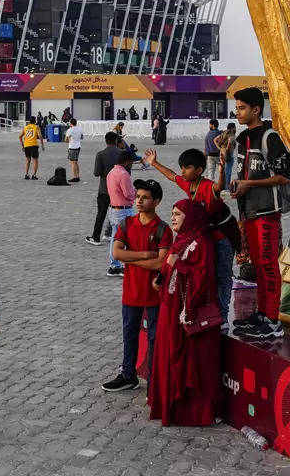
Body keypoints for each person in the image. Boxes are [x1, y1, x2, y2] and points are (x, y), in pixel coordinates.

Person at [149, 199, 221, 427]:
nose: (173, 218)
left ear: (190, 217)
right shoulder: (181, 240)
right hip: (170, 310)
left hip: (185, 314)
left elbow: (204, 279)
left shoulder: (202, 243)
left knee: (186, 360)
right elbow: (170, 265)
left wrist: (178, 265)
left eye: (178, 214)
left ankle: (188, 411)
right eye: (172, 213)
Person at [230, 86, 290, 340]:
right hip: (249, 211)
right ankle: (263, 314)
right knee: (257, 266)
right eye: (236, 108)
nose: (238, 113)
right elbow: (244, 174)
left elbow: (285, 176)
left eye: (242, 108)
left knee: (268, 267)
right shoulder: (242, 139)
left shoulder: (269, 137)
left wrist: (251, 185)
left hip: (267, 212)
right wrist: (238, 187)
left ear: (256, 109)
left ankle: (274, 321)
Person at [145, 148, 236, 326]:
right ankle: (208, 311)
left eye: (187, 168)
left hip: (223, 236)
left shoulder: (207, 185)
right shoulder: (189, 184)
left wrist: (222, 170)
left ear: (199, 170)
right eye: (182, 167)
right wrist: (153, 163)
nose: (182, 172)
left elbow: (219, 187)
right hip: (206, 237)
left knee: (223, 276)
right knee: (207, 275)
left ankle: (223, 317)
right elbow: (171, 176)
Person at [102, 178, 170, 392]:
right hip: (131, 292)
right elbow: (116, 253)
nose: (139, 201)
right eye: (138, 197)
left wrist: (130, 259)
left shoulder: (162, 229)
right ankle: (128, 375)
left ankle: (154, 380)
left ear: (156, 201)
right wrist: (143, 255)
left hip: (154, 295)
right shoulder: (127, 223)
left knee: (154, 339)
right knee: (129, 334)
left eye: (145, 198)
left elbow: (161, 262)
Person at [102, 149, 136, 276]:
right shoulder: (123, 174)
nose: (132, 164)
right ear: (127, 162)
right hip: (124, 210)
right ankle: (124, 265)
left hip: (113, 209)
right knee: (129, 238)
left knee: (115, 238)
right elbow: (128, 194)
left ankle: (114, 265)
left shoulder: (111, 172)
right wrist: (136, 192)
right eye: (132, 162)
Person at [86, 132, 123, 245]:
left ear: (106, 141)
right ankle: (113, 235)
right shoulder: (122, 154)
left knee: (101, 214)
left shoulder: (100, 154)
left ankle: (96, 237)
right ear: (116, 141)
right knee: (118, 213)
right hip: (118, 190)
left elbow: (96, 173)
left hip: (104, 189)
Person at [19, 116, 43, 180]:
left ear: (29, 121)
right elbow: (40, 136)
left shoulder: (25, 127)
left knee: (27, 161)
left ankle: (26, 174)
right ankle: (34, 175)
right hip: (34, 145)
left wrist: (22, 145)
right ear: (35, 121)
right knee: (35, 161)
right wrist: (42, 144)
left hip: (26, 146)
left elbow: (20, 136)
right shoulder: (36, 127)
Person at [65, 118, 84, 183]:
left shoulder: (70, 130)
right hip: (78, 146)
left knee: (73, 163)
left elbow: (66, 140)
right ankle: (78, 176)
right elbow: (82, 137)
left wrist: (69, 139)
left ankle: (75, 177)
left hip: (72, 147)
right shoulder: (80, 129)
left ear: (71, 123)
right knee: (76, 162)